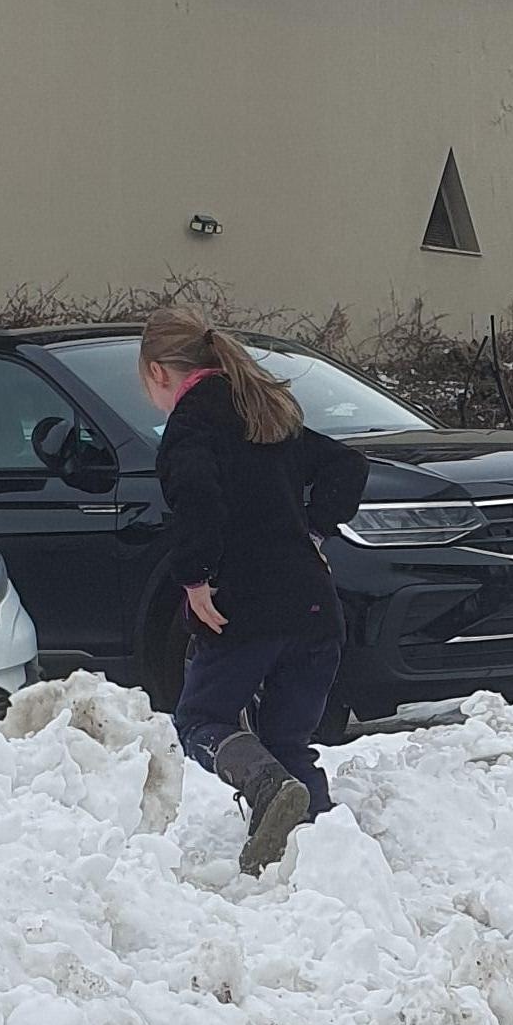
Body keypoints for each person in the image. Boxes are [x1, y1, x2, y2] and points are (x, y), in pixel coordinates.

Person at [139, 302, 371, 873]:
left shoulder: (192, 425)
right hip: (316, 609)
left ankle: (267, 787)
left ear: (157, 373)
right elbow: (348, 466)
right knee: (288, 739)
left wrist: (195, 579)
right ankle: (313, 857)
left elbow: (200, 500)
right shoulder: (265, 413)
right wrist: (314, 527)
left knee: (199, 721)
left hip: (245, 609)